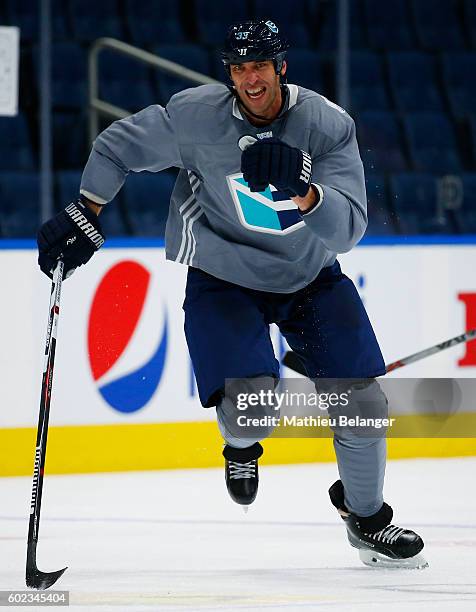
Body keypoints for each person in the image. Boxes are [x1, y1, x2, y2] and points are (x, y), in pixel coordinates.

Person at [37, 19, 427, 569]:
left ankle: (366, 520)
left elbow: (348, 231)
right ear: (230, 73)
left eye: (260, 66)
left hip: (311, 278)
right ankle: (240, 445)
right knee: (252, 411)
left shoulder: (327, 125)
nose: (250, 78)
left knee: (361, 403)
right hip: (223, 276)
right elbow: (115, 146)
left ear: (281, 68)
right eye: (239, 68)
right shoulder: (195, 116)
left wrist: (305, 190)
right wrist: (88, 210)